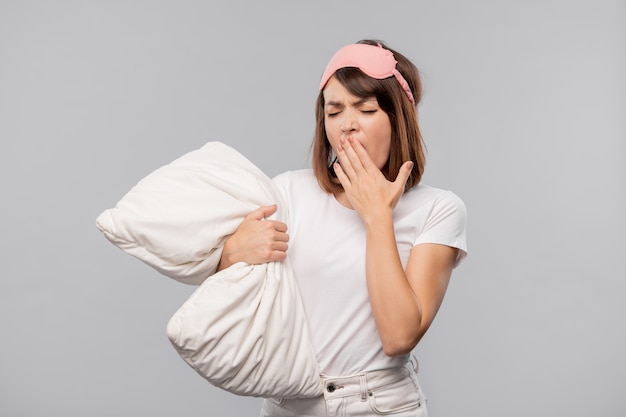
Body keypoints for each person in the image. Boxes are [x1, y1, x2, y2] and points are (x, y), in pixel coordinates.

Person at [217, 39, 467, 417]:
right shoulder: (287, 191)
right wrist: (233, 253)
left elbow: (399, 337)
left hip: (380, 405)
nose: (347, 125)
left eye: (366, 109)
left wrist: (377, 216)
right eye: (334, 112)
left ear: (398, 119)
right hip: (289, 405)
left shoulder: (438, 209)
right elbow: (231, 289)